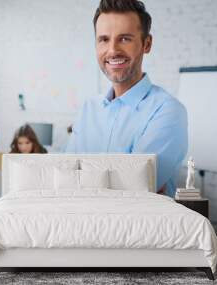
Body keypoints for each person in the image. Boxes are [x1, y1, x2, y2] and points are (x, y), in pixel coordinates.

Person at [65, 0, 188, 197]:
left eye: (124, 39)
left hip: (142, 226)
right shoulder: (88, 109)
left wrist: (85, 179)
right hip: (82, 225)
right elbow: (64, 178)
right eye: (104, 39)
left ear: (146, 44)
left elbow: (138, 188)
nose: (112, 50)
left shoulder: (168, 111)